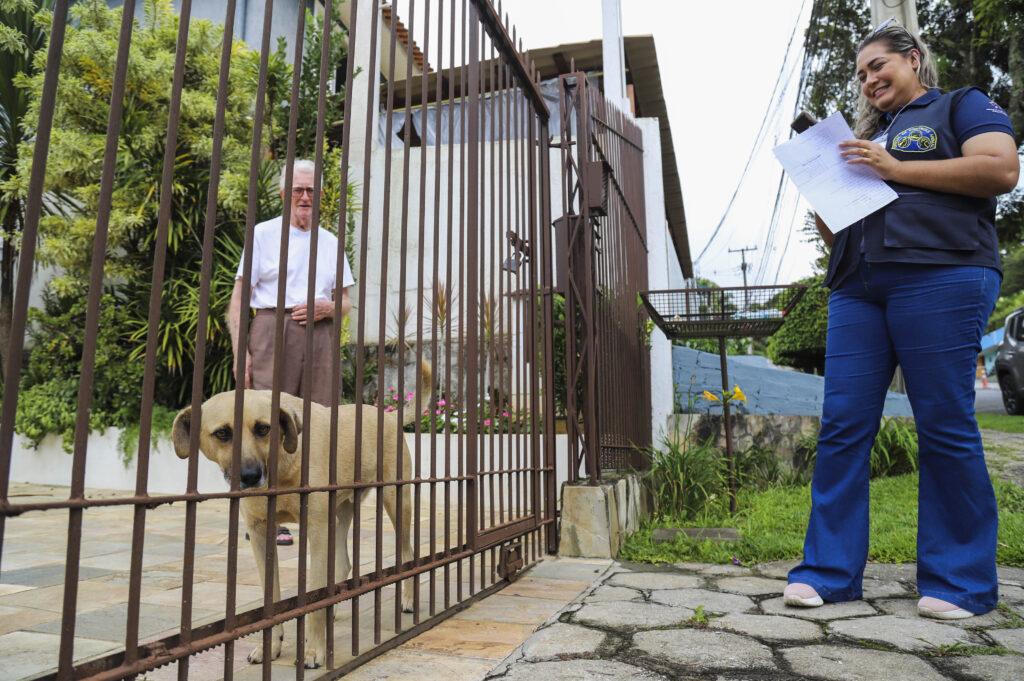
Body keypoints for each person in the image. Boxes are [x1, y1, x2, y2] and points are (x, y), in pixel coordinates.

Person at [784, 19, 1019, 620]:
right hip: (857, 286)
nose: (867, 80)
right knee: (842, 425)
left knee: (942, 421)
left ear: (912, 59)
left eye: (877, 67)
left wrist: (891, 167)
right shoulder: (865, 138)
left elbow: (999, 169)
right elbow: (842, 225)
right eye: (860, 75)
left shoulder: (960, 107)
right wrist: (828, 188)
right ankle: (829, 574)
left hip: (942, 272)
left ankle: (959, 583)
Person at [227, 159, 355, 545]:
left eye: (311, 191)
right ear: (284, 195)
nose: (304, 197)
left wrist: (330, 308)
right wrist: (240, 352)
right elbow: (238, 299)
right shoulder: (264, 234)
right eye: (297, 190)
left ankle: (312, 507)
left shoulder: (331, 241)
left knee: (318, 416)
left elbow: (346, 300)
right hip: (271, 327)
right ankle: (263, 513)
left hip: (320, 333)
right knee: (265, 419)